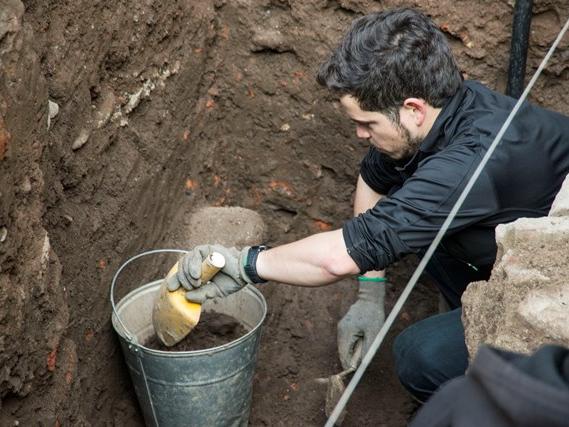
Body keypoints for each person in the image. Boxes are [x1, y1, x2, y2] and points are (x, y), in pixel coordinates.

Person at [168, 8, 569, 402]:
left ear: (413, 109)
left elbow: (335, 259)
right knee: (423, 239)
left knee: (419, 356)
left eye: (368, 123)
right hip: (513, 238)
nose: (360, 134)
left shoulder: (470, 165)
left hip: (557, 293)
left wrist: (244, 265)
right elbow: (373, 181)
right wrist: (370, 291)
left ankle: (479, 404)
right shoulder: (450, 108)